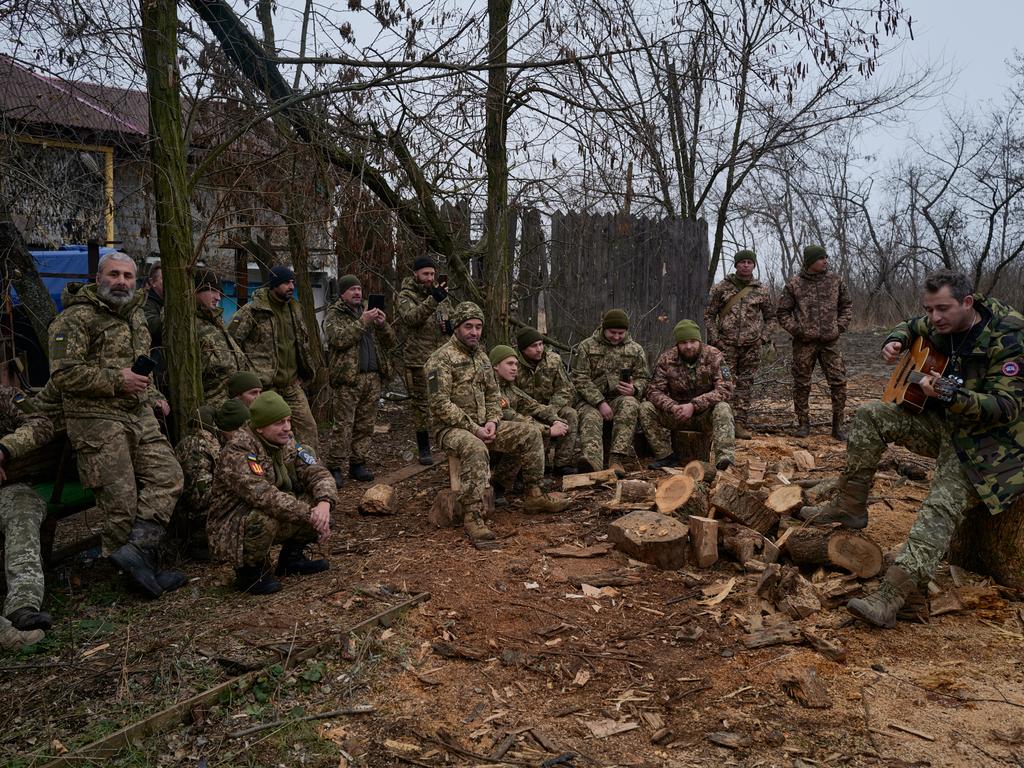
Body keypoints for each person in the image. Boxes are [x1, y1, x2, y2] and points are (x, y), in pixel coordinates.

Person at [799, 270, 1024, 628]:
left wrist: (952, 395)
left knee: (940, 502)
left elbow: (1007, 406)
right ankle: (851, 503)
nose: (934, 318)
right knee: (873, 414)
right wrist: (896, 340)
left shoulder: (1009, 336)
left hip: (991, 445)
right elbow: (912, 325)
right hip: (946, 425)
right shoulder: (941, 321)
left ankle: (893, 593)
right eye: (929, 309)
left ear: (968, 303)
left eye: (942, 309)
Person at [48, 252, 185, 598]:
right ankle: (133, 581)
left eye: (128, 276)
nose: (121, 282)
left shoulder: (135, 317)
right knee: (121, 503)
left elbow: (138, 369)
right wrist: (117, 381)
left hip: (137, 413)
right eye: (114, 274)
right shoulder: (74, 319)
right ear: (98, 278)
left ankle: (139, 553)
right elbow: (64, 375)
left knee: (169, 476)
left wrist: (151, 393)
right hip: (95, 418)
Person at [425, 303, 569, 543]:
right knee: (474, 447)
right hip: (452, 429)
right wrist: (475, 428)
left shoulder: (482, 357)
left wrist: (492, 420)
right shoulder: (440, 360)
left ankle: (534, 494)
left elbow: (494, 396)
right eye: (468, 326)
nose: (474, 332)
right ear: (457, 327)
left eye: (478, 327)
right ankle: (472, 516)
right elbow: (440, 404)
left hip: (485, 425)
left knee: (531, 433)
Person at [209, 392, 337, 595]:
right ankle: (249, 574)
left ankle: (292, 559)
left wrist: (324, 504)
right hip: (233, 525)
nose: (287, 427)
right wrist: (310, 514)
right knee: (267, 516)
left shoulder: (286, 441)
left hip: (268, 510)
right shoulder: (239, 451)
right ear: (260, 427)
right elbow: (264, 496)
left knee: (319, 502)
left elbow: (316, 471)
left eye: (288, 420)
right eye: (279, 423)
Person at [228, 265, 319, 452]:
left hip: (292, 385)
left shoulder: (295, 309)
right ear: (274, 285)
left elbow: (301, 343)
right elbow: (231, 342)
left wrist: (303, 371)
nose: (291, 286)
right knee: (267, 434)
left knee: (308, 428)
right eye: (286, 282)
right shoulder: (253, 311)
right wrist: (249, 375)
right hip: (266, 387)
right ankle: (275, 473)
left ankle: (311, 470)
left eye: (293, 282)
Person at [323, 275, 397, 487]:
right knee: (344, 426)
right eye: (352, 289)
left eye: (359, 289)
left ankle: (358, 463)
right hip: (349, 380)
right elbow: (338, 339)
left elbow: (391, 342)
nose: (357, 293)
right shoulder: (335, 314)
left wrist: (382, 325)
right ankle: (334, 466)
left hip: (372, 377)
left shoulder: (370, 312)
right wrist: (362, 322)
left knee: (365, 425)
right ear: (343, 293)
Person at [777, 245, 853, 440]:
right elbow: (783, 312)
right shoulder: (794, 284)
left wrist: (839, 327)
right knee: (801, 383)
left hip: (831, 342)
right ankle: (803, 424)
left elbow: (846, 306)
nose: (825, 261)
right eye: (821, 258)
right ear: (810, 262)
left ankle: (838, 427)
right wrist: (797, 330)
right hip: (804, 344)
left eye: (826, 257)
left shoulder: (835, 281)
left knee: (838, 382)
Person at [640, 320, 736, 470]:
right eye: (684, 342)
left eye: (692, 341)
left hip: (704, 415)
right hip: (677, 415)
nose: (689, 346)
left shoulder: (714, 356)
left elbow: (726, 388)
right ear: (677, 344)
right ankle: (666, 456)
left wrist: (694, 405)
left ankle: (724, 458)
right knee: (646, 408)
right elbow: (653, 391)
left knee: (723, 408)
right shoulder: (667, 359)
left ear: (699, 341)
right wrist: (672, 407)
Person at [1, 382, 55, 635]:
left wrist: (4, 449)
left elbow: (42, 424)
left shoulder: (6, 396)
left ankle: (22, 605)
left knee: (23, 510)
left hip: (8, 489)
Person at [704, 249, 774, 438]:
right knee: (724, 383)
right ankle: (722, 423)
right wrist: (715, 340)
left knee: (745, 385)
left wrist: (762, 338)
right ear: (736, 265)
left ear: (753, 265)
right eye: (741, 262)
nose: (745, 265)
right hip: (726, 347)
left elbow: (771, 318)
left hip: (751, 348)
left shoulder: (761, 290)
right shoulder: (721, 288)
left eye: (749, 262)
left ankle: (740, 424)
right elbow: (709, 316)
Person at [571, 309, 650, 473]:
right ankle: (592, 462)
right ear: (603, 328)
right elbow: (580, 378)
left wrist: (634, 389)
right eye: (612, 332)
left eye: (620, 333)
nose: (616, 336)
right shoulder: (587, 346)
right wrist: (599, 402)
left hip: (618, 399)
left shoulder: (635, 349)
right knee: (591, 417)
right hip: (590, 402)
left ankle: (617, 459)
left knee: (630, 404)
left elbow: (644, 378)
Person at [490, 345, 572, 500]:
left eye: (516, 364)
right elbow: (511, 416)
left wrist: (554, 418)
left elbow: (533, 405)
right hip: (487, 439)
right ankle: (499, 485)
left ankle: (523, 480)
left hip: (500, 437)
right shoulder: (492, 389)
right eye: (509, 364)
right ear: (495, 365)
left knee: (536, 429)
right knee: (528, 435)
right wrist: (548, 429)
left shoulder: (509, 387)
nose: (514, 368)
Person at [173, 400, 249, 558]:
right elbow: (198, 498)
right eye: (240, 430)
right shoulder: (197, 447)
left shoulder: (219, 443)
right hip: (194, 523)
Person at [396, 256, 454, 465]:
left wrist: (452, 324)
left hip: (442, 358)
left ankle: (448, 443)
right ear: (416, 274)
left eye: (432, 274)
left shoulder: (438, 294)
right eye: (425, 274)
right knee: (421, 406)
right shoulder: (406, 295)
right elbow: (411, 318)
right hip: (418, 360)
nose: (430, 278)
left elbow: (450, 316)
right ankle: (424, 449)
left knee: (446, 400)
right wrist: (433, 300)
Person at [514, 326, 579, 475]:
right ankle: (528, 469)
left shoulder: (553, 360)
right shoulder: (514, 364)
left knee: (570, 414)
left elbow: (565, 389)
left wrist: (551, 410)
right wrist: (540, 412)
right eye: (533, 346)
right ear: (523, 349)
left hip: (551, 407)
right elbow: (513, 395)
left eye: (541, 344)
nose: (539, 349)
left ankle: (562, 464)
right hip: (526, 410)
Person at [193, 268, 250, 407]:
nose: (218, 297)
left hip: (234, 401)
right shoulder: (187, 323)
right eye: (212, 291)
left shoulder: (215, 319)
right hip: (213, 406)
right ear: (196, 290)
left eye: (219, 292)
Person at [142, 260, 166, 391]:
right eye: (164, 279)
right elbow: (157, 329)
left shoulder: (160, 303)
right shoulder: (146, 304)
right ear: (152, 282)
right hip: (155, 372)